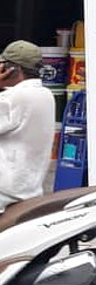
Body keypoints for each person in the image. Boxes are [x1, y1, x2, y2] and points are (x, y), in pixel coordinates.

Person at [0, 41, 56, 213]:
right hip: (30, 188)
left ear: (12, 69)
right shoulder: (46, 94)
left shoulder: (12, 98)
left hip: (5, 192)